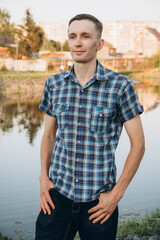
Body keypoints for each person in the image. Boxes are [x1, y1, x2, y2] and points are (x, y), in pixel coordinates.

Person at [35, 14, 145, 240]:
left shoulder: (120, 86)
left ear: (99, 43)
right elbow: (48, 135)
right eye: (73, 36)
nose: (78, 42)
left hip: (99, 204)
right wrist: (43, 178)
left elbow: (139, 145)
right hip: (57, 196)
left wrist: (116, 194)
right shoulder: (54, 85)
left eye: (85, 36)